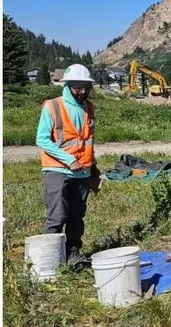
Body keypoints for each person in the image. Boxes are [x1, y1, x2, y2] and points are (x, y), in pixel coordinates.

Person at [36, 64, 101, 271]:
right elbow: (42, 139)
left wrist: (94, 170)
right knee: (57, 215)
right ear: (68, 85)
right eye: (77, 87)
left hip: (82, 172)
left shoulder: (90, 108)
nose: (82, 91)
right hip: (58, 170)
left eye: (85, 87)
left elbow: (87, 141)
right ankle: (48, 262)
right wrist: (68, 160)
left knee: (76, 215)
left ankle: (73, 254)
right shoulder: (53, 106)